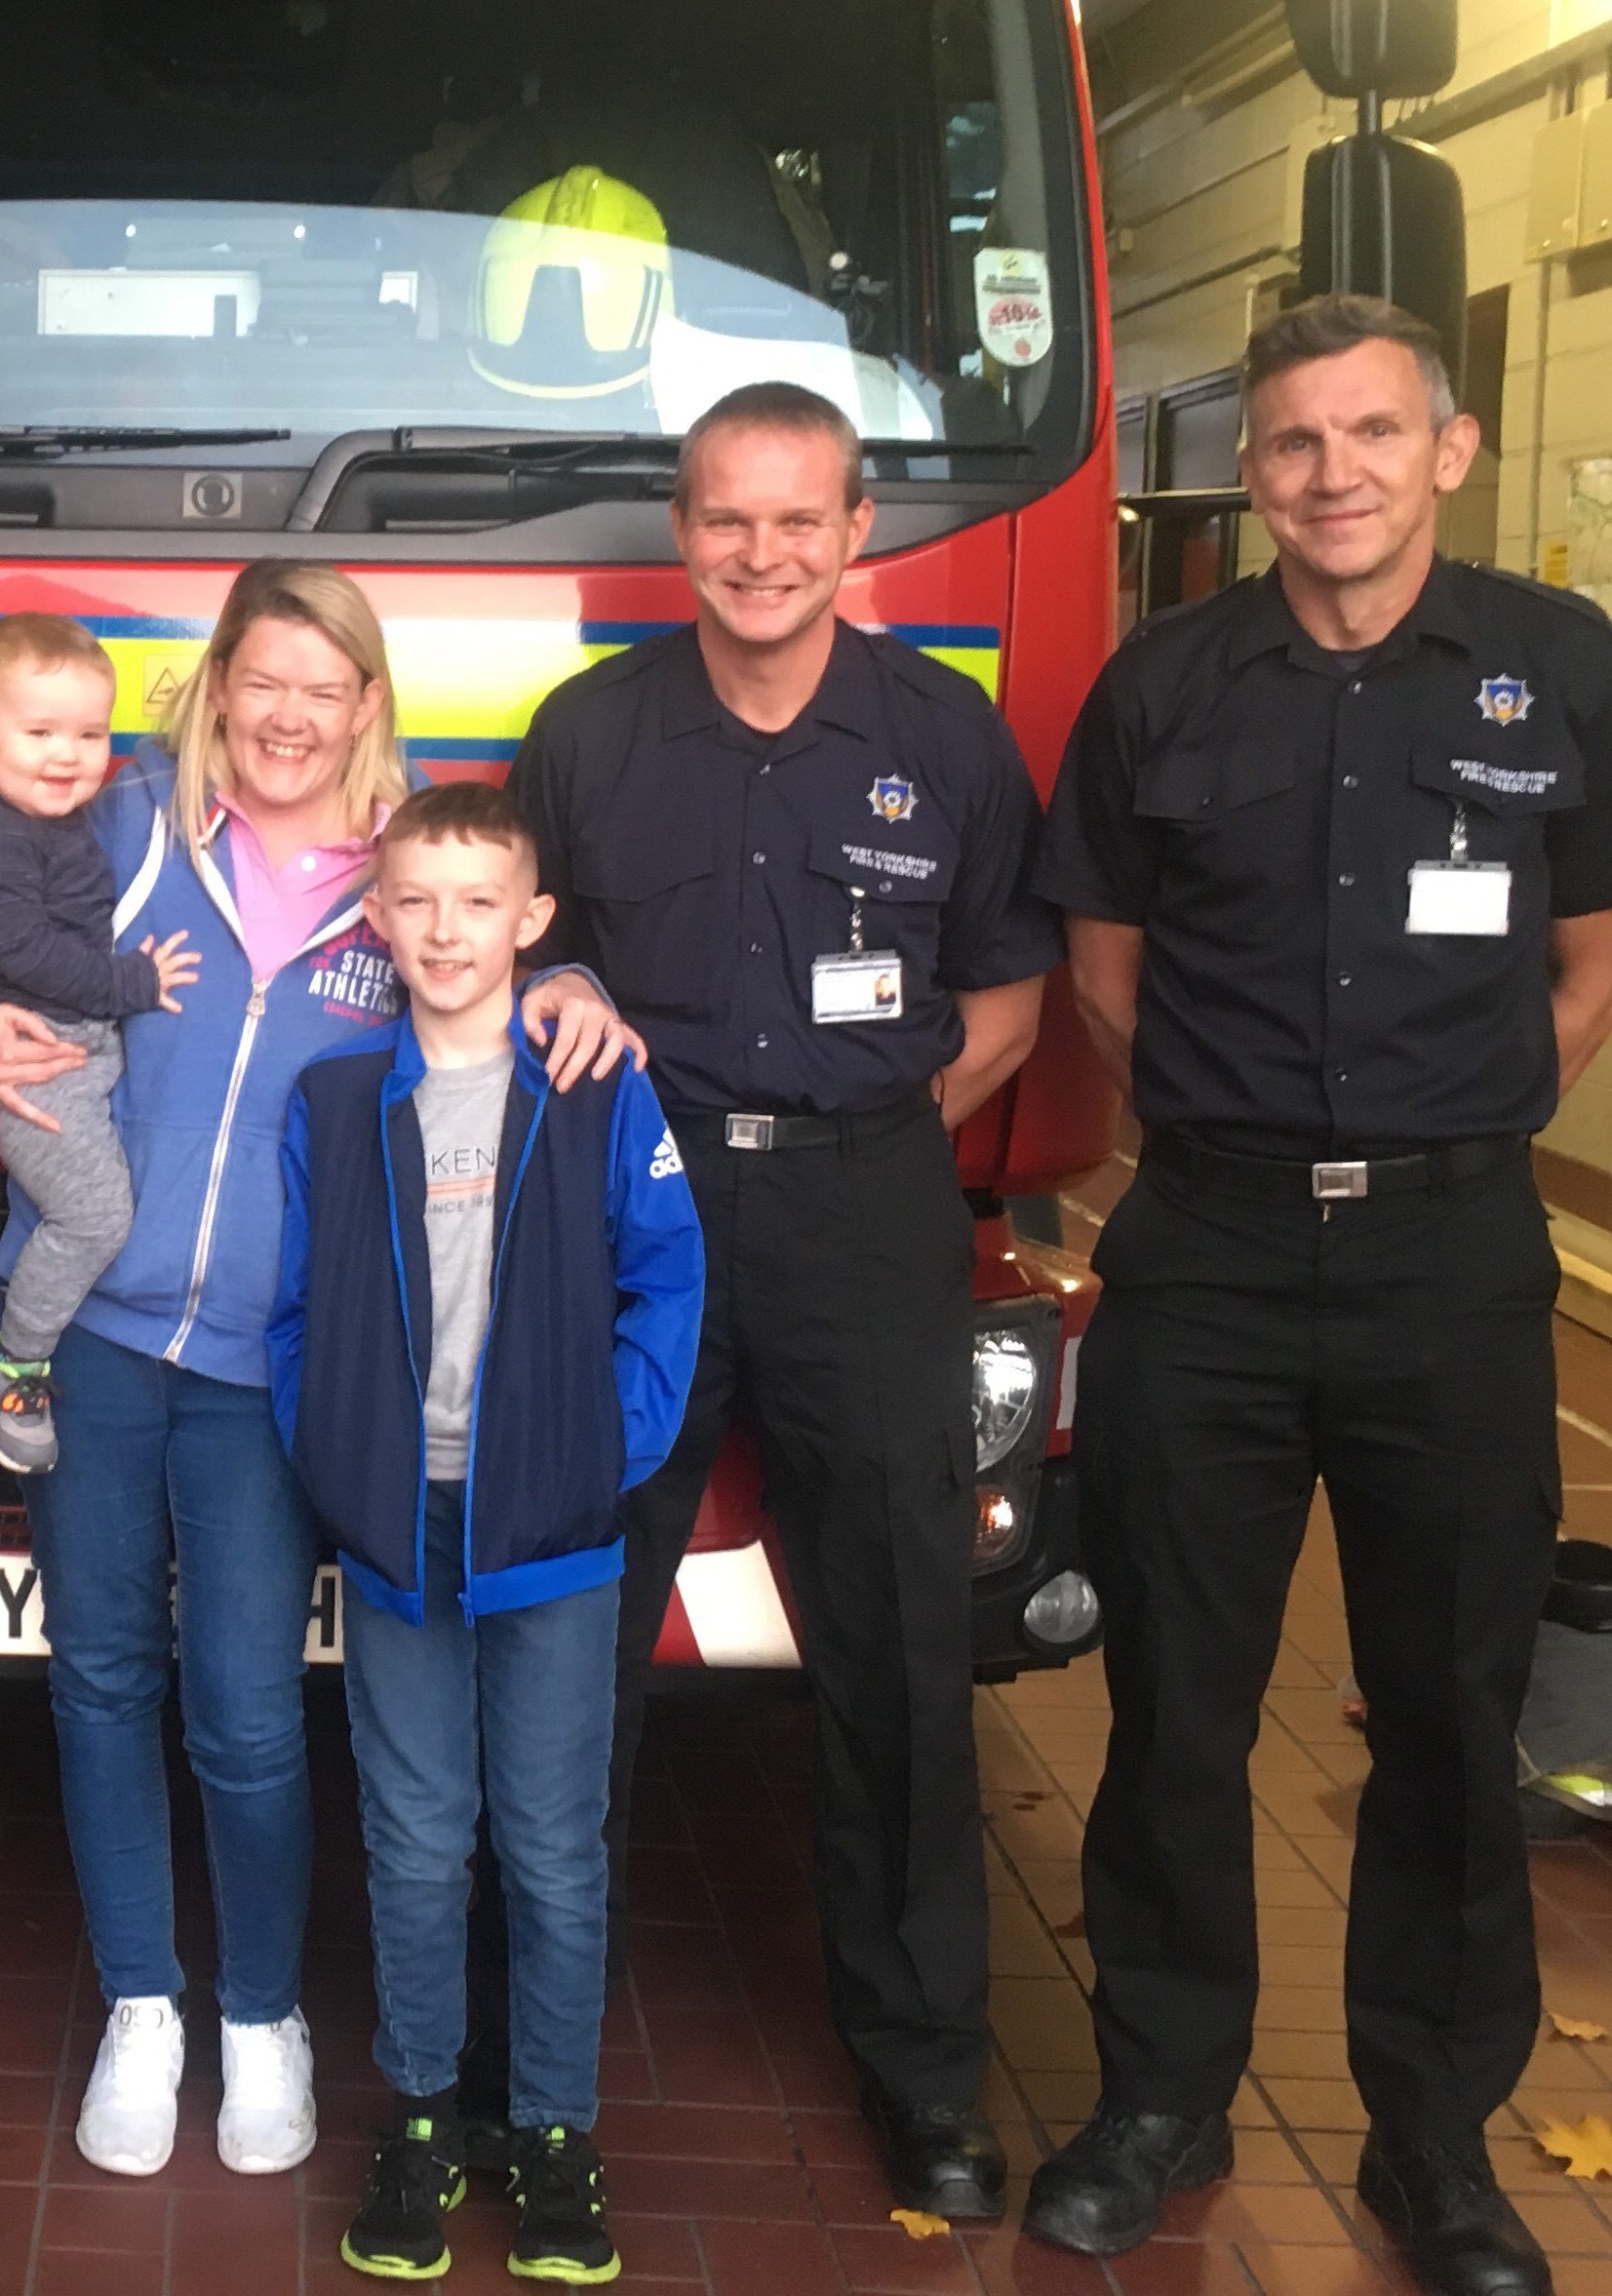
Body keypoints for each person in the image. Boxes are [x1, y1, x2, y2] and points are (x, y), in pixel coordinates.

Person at [1022, 296, 1612, 2296]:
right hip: (1206, 1256)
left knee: (1443, 1705)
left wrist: (1432, 1136)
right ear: (1250, 473)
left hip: (1449, 1265)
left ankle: (1432, 2144)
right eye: (1293, 442)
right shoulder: (1163, 685)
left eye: (1369, 433)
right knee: (1171, 1707)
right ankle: (1155, 2093)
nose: (1331, 473)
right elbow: (1100, 964)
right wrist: (1242, 1141)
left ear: (1447, 447)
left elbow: (1592, 964)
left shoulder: (1551, 667)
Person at [0, 562, 641, 2180]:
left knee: (248, 1716)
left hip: (275, 1375)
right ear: (214, 690)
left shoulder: (396, 885)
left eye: (324, 685)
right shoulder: (114, 831)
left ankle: (261, 2013)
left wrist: (576, 982)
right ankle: (143, 2003)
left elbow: (489, 976)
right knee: (102, 1679)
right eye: (260, 677)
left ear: (367, 704)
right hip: (97, 1342)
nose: (287, 714)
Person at [500, 380, 1060, 2216]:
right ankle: (533, 2053)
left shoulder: (946, 737)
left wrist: (854, 1136)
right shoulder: (588, 734)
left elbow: (1001, 1002)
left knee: (899, 1644)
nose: (759, 554)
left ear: (854, 531)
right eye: (725, 520)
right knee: (577, 1624)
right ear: (683, 535)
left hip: (860, 1215)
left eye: (795, 520)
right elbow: (526, 958)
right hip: (633, 1217)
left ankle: (923, 2071)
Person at [268, 784, 703, 2284]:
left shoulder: (598, 1089)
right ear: (375, 920)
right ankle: (423, 2117)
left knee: (549, 1843)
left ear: (531, 924)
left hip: (556, 1532)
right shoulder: (332, 1101)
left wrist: (605, 1444)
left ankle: (557, 2135)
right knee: (409, 1837)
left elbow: (667, 1277)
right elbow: (294, 1314)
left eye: (477, 903)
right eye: (415, 901)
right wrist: (331, 1453)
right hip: (398, 1530)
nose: (443, 930)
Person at [0, 614, 201, 1473]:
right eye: (39, 732)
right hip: (34, 1067)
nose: (67, 755)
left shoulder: (54, 819)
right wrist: (134, 985)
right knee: (92, 1216)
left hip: (74, 1048)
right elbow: (24, 955)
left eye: (89, 734)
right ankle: (13, 1362)